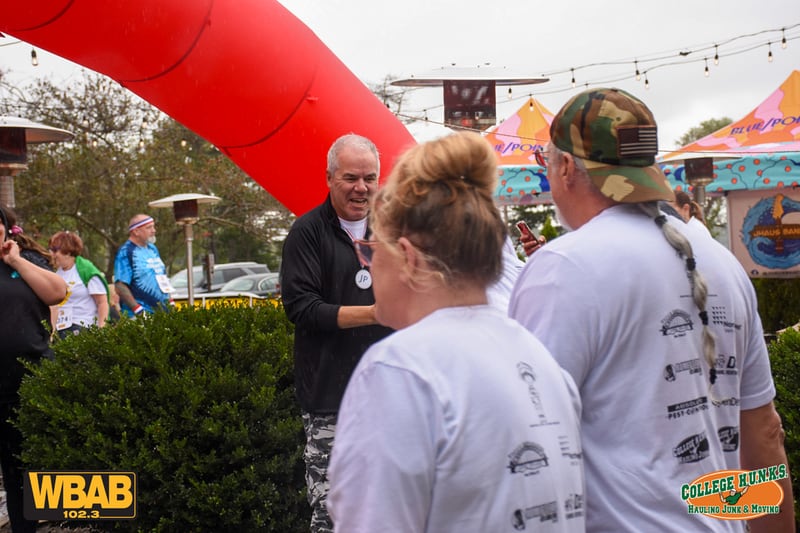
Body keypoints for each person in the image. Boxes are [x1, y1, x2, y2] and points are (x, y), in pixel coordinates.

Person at [508, 88, 794, 532]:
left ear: (565, 167)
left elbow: (525, 442)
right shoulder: (722, 263)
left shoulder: (564, 268)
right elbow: (764, 434)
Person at [327, 131, 585, 532]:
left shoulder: (399, 371)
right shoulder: (542, 362)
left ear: (408, 259)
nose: (369, 265)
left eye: (372, 249)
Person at [279, 133, 393, 533]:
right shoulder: (307, 232)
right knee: (333, 514)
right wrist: (376, 313)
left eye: (370, 177)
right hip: (329, 398)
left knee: (391, 510)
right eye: (350, 178)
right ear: (329, 178)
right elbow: (302, 309)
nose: (361, 188)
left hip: (390, 396)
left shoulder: (393, 229)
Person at [0, 205, 68, 533]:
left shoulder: (26, 261)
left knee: (23, 470)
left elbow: (57, 293)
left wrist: (14, 260)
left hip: (28, 381)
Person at [49, 230, 110, 337]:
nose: (51, 254)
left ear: (67, 252)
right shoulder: (55, 272)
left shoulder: (86, 270)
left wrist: (102, 330)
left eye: (54, 250)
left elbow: (102, 302)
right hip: (61, 327)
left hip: (84, 327)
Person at [113, 214, 173, 317]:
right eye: (149, 227)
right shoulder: (126, 252)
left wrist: (170, 299)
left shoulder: (152, 248)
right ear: (136, 231)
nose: (153, 230)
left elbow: (161, 275)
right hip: (141, 315)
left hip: (163, 313)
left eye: (153, 226)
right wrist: (137, 309)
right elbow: (120, 285)